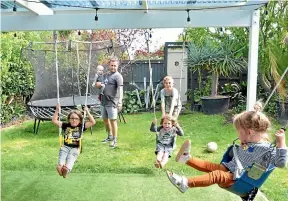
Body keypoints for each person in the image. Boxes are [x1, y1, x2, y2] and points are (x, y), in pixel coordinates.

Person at [166, 102, 287, 194]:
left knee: (217, 174)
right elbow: (245, 154)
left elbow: (281, 163)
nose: (238, 135)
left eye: (239, 132)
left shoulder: (266, 149)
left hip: (240, 181)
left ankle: (185, 183)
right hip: (231, 170)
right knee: (212, 167)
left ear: (249, 132)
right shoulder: (248, 143)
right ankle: (186, 158)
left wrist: (281, 142)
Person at [52, 104, 96, 178]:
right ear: (69, 119)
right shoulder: (65, 125)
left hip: (75, 148)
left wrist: (87, 111)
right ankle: (61, 168)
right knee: (60, 165)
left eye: (76, 118)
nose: (74, 120)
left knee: (70, 160)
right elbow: (54, 121)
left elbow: (93, 122)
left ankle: (66, 170)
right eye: (72, 118)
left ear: (80, 120)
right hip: (65, 147)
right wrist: (57, 110)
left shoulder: (81, 126)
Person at [95, 56, 123, 148]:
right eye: (111, 65)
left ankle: (115, 140)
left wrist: (120, 102)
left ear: (117, 66)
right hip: (103, 101)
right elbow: (98, 84)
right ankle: (109, 136)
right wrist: (98, 84)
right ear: (109, 65)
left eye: (115, 65)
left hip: (112, 102)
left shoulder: (118, 76)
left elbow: (120, 89)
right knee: (105, 120)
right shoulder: (106, 75)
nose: (113, 67)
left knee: (113, 121)